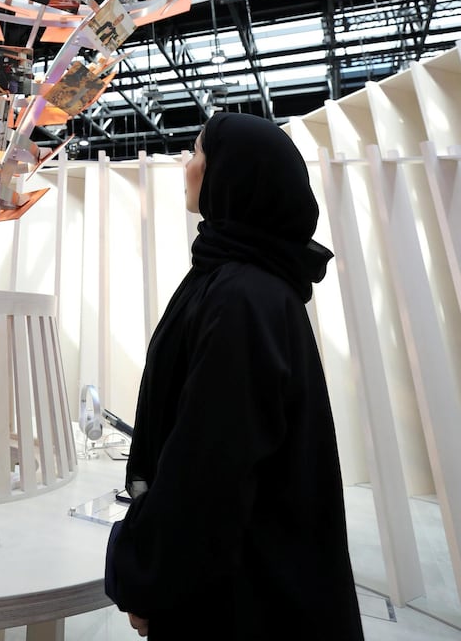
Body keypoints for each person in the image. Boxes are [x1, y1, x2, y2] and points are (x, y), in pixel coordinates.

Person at [105, 112, 363, 640]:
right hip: (237, 572)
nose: (187, 164)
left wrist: (152, 577)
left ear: (233, 175)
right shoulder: (239, 281)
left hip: (240, 594)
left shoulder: (242, 295)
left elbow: (210, 462)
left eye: (198, 152)